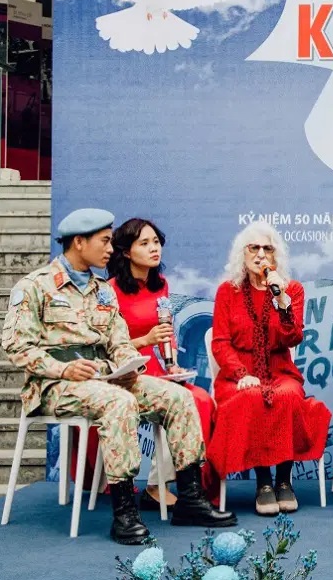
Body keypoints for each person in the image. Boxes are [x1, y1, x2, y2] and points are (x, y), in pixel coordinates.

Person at [0, 208, 235, 544]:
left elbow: (119, 343)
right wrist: (62, 368)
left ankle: (190, 499)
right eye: (105, 241)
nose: (111, 249)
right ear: (79, 242)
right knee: (118, 402)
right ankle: (125, 513)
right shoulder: (35, 286)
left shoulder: (103, 291)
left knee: (179, 397)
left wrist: (129, 367)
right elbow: (16, 345)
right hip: (55, 385)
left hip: (106, 379)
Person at [207, 221, 331, 516]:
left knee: (287, 396)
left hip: (279, 371)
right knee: (252, 397)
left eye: (268, 248)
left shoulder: (292, 290)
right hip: (238, 374)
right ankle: (263, 482)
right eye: (254, 248)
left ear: (277, 256)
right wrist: (241, 374)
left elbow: (293, 337)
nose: (261, 254)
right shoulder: (228, 291)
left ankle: (284, 480)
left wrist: (281, 300)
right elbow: (220, 343)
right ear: (242, 253)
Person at [107, 217, 220, 509]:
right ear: (126, 251)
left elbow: (165, 330)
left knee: (202, 400)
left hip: (157, 372)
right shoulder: (110, 290)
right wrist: (144, 340)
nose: (154, 248)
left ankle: (183, 485)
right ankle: (155, 487)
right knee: (184, 400)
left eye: (156, 242)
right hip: (124, 374)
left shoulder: (161, 285)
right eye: (144, 243)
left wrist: (172, 365)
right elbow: (104, 347)